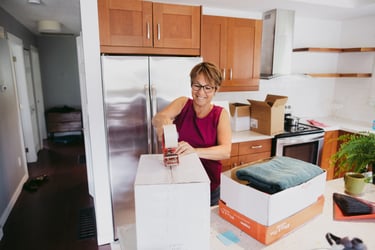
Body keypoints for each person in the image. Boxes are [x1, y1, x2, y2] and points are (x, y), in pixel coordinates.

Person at [152, 62, 232, 206]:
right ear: (191, 85)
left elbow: (225, 151)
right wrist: (164, 125)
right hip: (180, 182)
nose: (201, 92)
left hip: (209, 187)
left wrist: (194, 151)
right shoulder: (183, 103)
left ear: (216, 90)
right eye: (197, 85)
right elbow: (158, 118)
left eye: (207, 87)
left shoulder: (220, 115)